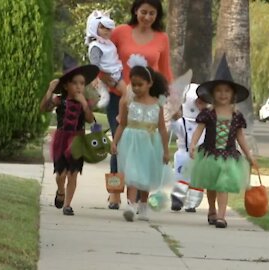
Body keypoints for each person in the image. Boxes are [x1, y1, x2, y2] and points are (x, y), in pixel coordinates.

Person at [102, 0, 173, 210]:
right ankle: (115, 191)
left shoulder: (162, 38)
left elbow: (165, 70)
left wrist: (168, 99)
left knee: (142, 148)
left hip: (147, 100)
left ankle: (140, 196)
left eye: (152, 13)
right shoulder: (121, 32)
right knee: (120, 143)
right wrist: (120, 86)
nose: (147, 17)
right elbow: (103, 61)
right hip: (119, 97)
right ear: (135, 11)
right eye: (144, 12)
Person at [188, 55, 259, 228]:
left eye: (227, 91)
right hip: (210, 154)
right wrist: (192, 145)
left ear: (233, 95)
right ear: (212, 94)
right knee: (211, 185)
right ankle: (211, 208)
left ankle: (221, 216)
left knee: (223, 184)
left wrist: (249, 155)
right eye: (219, 91)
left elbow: (240, 136)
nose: (223, 94)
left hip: (228, 157)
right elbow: (199, 130)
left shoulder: (236, 116)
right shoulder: (208, 114)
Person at [111, 55, 170, 222]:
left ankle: (144, 206)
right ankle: (130, 205)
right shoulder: (127, 102)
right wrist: (115, 142)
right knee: (132, 173)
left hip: (151, 143)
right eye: (134, 84)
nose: (136, 88)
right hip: (131, 142)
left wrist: (166, 151)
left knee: (146, 174)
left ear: (149, 84)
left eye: (140, 84)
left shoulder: (157, 104)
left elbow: (162, 128)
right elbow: (122, 124)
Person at [39, 54, 99, 216]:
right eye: (75, 83)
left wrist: (85, 104)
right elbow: (43, 108)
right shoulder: (60, 100)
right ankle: (60, 190)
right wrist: (50, 90)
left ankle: (67, 204)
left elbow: (89, 119)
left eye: (82, 83)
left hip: (77, 140)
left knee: (73, 173)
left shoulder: (85, 101)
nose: (79, 87)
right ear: (66, 86)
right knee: (61, 174)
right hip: (61, 139)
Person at [170, 83, 207, 213]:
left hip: (201, 155)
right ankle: (177, 199)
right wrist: (174, 118)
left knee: (197, 180)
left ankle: (192, 203)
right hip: (184, 152)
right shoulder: (184, 121)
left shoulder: (208, 121)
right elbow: (176, 128)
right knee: (181, 176)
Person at [85, 10, 126, 108]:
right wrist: (94, 77)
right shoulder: (96, 46)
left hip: (116, 71)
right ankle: (104, 95)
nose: (106, 31)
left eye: (108, 28)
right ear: (94, 28)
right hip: (109, 74)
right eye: (102, 27)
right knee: (127, 93)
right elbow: (94, 64)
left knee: (127, 93)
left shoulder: (107, 43)